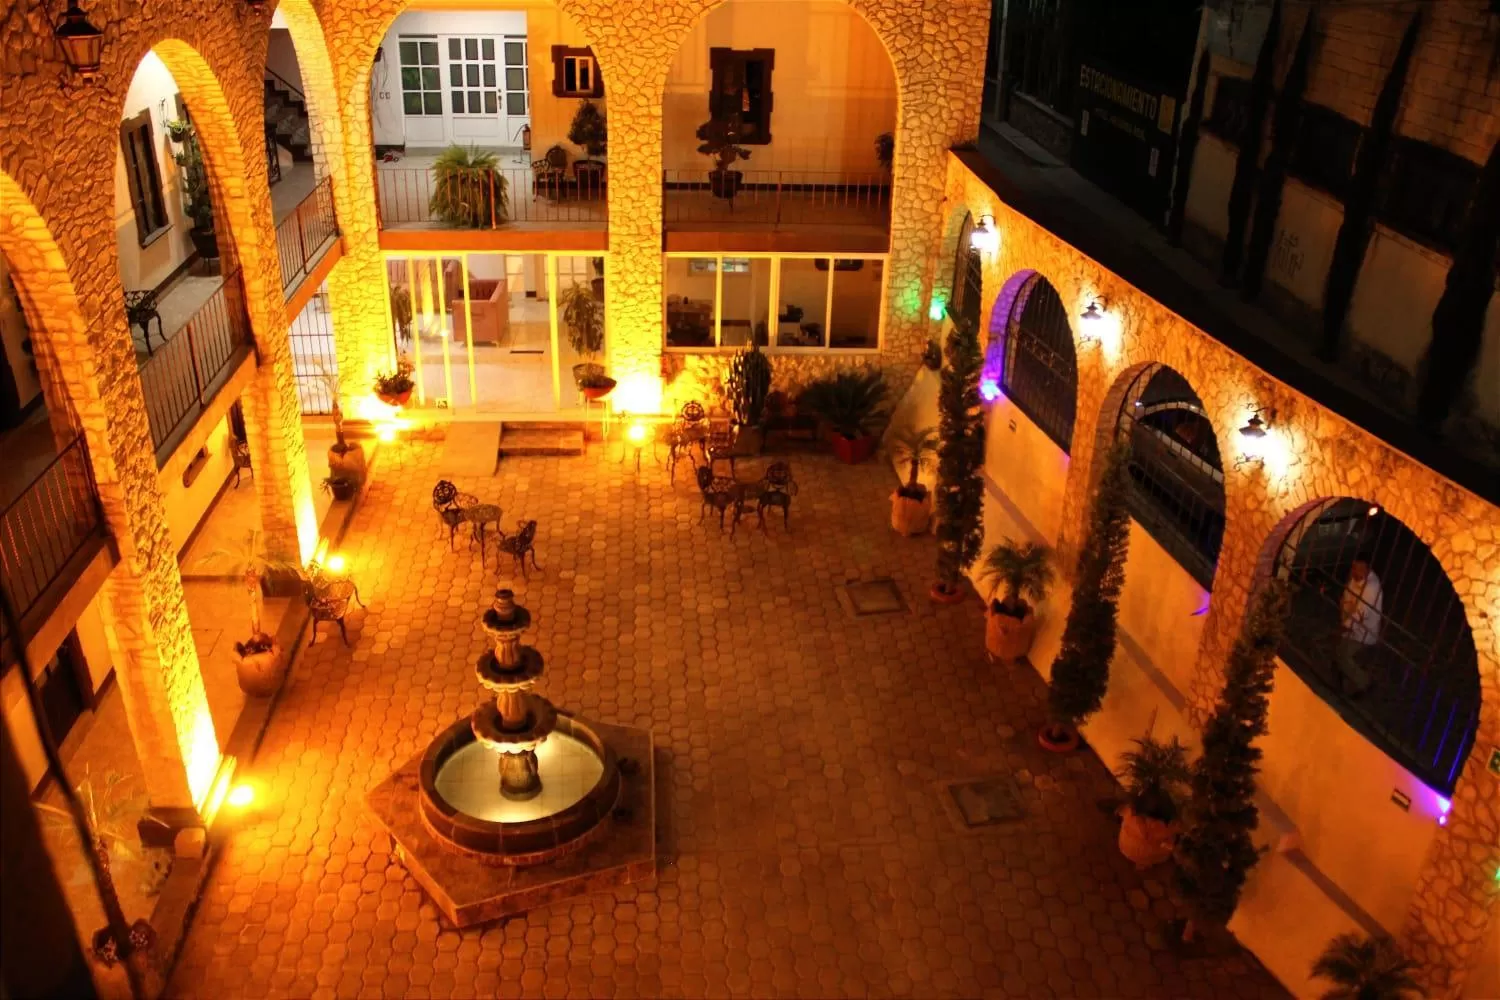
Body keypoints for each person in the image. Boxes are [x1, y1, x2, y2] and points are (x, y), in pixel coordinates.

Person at [1336, 555, 1383, 697]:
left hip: (1363, 633)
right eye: (1354, 568)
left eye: (1359, 569)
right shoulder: (1355, 580)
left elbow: (1361, 614)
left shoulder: (1372, 587)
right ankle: (1343, 679)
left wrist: (1345, 626)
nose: (1355, 572)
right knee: (1339, 650)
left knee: (1343, 655)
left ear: (1367, 569)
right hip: (1349, 627)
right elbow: (1346, 597)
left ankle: (1364, 682)